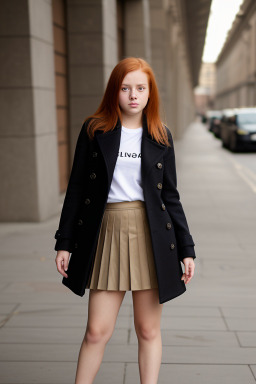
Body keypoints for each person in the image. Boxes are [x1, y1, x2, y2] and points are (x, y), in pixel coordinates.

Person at [54, 57, 196, 384]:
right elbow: (77, 187)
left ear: (150, 93)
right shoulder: (95, 130)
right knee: (96, 331)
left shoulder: (160, 135)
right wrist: (65, 242)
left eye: (140, 88)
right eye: (125, 87)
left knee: (148, 329)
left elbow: (170, 196)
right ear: (114, 91)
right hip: (106, 231)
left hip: (151, 234)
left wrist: (186, 249)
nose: (133, 95)